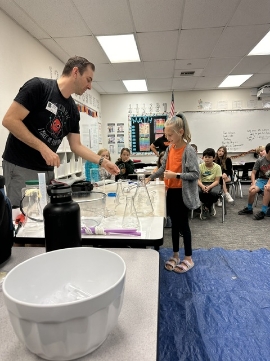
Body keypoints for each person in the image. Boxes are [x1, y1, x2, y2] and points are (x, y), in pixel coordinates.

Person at [2, 56, 119, 207]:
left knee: (44, 219)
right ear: (75, 72)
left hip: (47, 172)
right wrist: (43, 148)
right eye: (88, 79)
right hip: (21, 167)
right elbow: (10, 120)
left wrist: (103, 162)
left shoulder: (73, 110)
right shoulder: (39, 87)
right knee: (23, 221)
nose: (89, 86)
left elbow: (76, 146)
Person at [146, 113, 200, 273]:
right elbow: (163, 168)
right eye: (166, 135)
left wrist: (175, 175)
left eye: (170, 135)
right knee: (174, 226)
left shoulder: (188, 150)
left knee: (183, 225)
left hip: (182, 194)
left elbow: (195, 174)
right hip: (171, 193)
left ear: (181, 132)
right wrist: (151, 176)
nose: (167, 138)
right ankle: (175, 255)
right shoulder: (170, 148)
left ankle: (189, 258)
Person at [238, 143, 270, 220]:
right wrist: (253, 184)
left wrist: (268, 184)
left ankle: (263, 211)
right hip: (261, 180)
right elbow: (253, 173)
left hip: (269, 180)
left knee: (267, 189)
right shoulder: (260, 160)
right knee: (252, 190)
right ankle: (249, 209)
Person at [198, 148, 222, 220]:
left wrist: (209, 187)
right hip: (202, 183)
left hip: (213, 183)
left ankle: (208, 206)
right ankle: (205, 207)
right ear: (203, 158)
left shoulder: (217, 167)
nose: (207, 159)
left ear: (213, 158)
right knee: (199, 192)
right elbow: (197, 180)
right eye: (205, 157)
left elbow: (217, 181)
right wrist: (202, 186)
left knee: (214, 193)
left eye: (209, 157)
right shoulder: (200, 166)